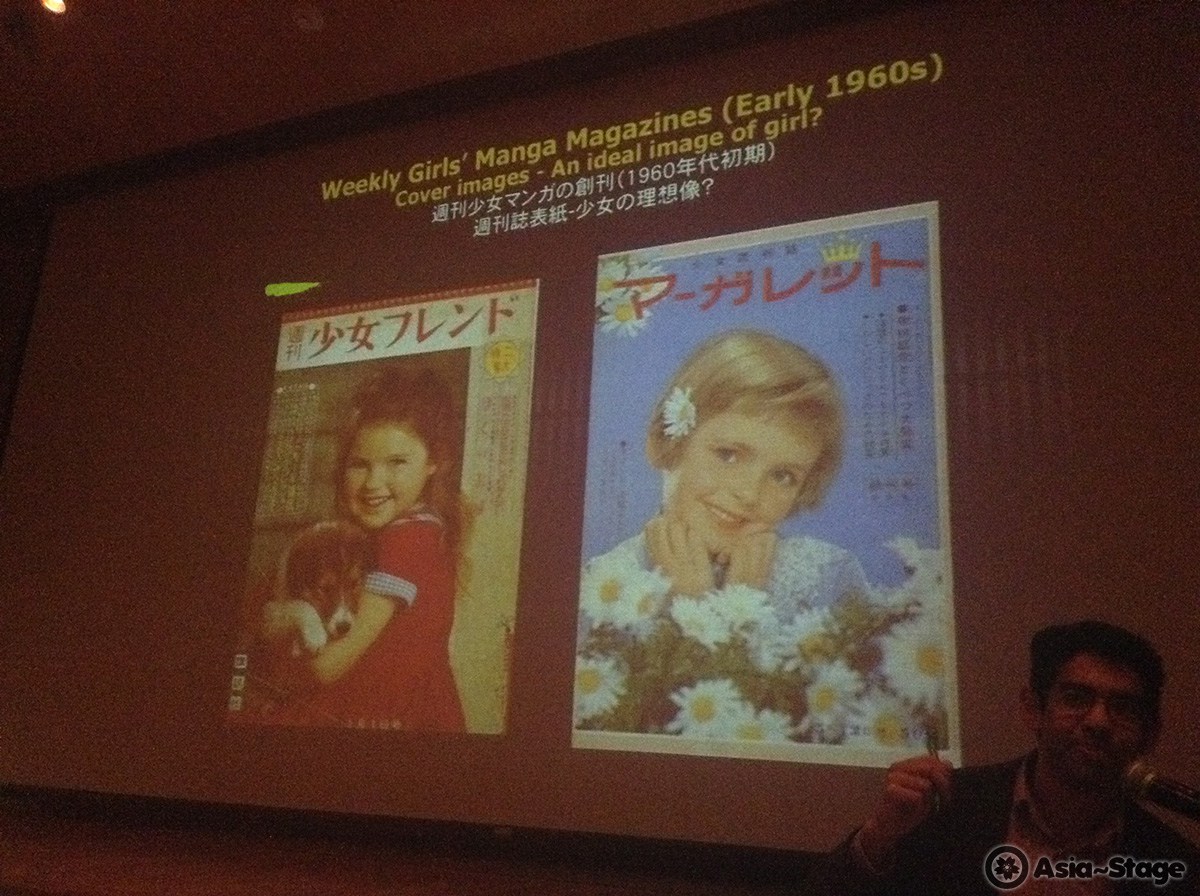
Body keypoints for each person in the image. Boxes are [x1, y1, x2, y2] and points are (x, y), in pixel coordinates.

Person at [574, 329, 873, 737]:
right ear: (670, 441)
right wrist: (694, 610)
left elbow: (847, 735)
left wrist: (740, 612)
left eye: (783, 476)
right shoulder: (601, 588)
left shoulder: (829, 576)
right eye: (728, 454)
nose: (748, 493)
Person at [810, 619, 1200, 894]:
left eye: (1123, 707)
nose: (1098, 721)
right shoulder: (947, 806)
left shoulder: (1172, 861)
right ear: (1033, 709)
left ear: (1150, 734)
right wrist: (879, 836)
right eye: (1076, 698)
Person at [274, 364, 468, 731]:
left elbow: (326, 666)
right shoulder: (398, 533)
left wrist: (288, 625)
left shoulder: (407, 541)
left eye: (397, 462)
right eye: (359, 465)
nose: (373, 483)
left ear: (434, 461)